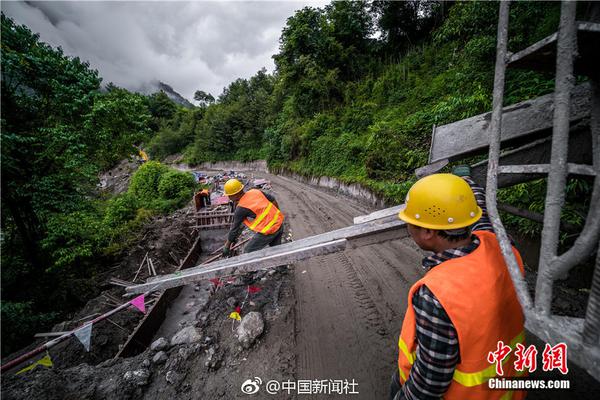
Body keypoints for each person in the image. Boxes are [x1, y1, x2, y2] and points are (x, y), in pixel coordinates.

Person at [390, 169, 526, 400]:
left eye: (409, 222)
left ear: (428, 231)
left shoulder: (436, 294)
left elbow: (429, 382)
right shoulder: (502, 247)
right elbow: (481, 215)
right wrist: (466, 182)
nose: (408, 227)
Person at [222, 178, 285, 256]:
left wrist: (227, 246)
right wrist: (277, 213)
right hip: (279, 223)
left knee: (248, 252)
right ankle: (282, 268)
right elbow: (273, 199)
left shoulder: (241, 208)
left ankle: (255, 268)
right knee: (276, 250)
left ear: (234, 195)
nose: (228, 197)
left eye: (229, 195)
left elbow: (234, 229)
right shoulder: (254, 191)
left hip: (269, 230)